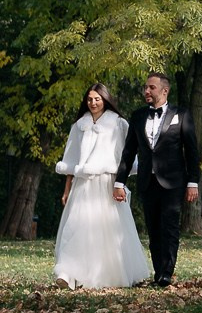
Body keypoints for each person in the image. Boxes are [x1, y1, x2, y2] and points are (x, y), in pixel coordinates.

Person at [52, 84, 152, 289]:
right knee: (76, 227)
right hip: (83, 184)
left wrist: (120, 183)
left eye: (97, 99)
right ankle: (68, 273)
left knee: (109, 230)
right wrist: (67, 189)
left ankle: (108, 273)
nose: (93, 103)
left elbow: (126, 157)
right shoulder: (78, 126)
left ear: (105, 100)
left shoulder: (118, 124)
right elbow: (71, 160)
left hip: (108, 183)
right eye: (89, 99)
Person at [113, 72, 200, 288]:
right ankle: (158, 273)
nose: (146, 91)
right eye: (145, 87)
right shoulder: (138, 116)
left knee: (169, 226)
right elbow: (128, 151)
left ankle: (166, 274)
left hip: (173, 182)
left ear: (165, 90)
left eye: (151, 87)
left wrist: (193, 181)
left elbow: (191, 151)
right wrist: (119, 182)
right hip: (147, 181)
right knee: (153, 229)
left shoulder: (182, 114)